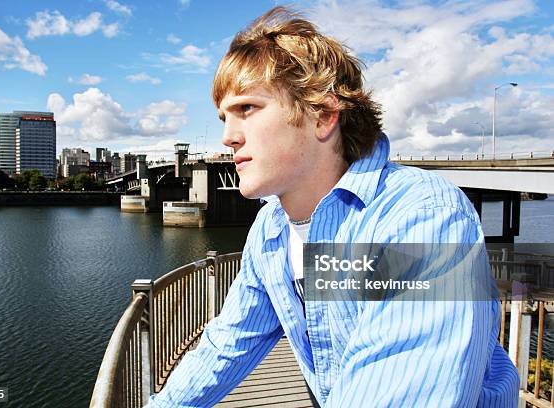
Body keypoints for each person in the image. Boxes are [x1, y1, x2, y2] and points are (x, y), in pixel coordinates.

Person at [148, 6, 519, 407]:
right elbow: (228, 345)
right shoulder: (272, 230)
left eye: (247, 108)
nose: (228, 137)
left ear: (323, 115)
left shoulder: (421, 219)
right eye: (223, 116)